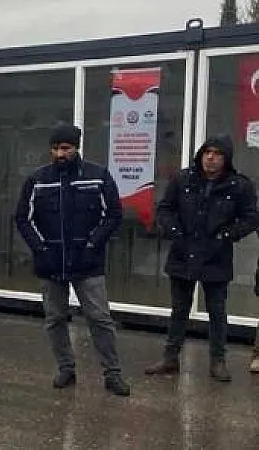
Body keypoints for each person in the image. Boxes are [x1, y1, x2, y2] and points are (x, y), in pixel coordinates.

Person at [14, 124, 131, 396]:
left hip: (87, 262)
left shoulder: (97, 175)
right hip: (50, 262)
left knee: (100, 319)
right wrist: (39, 247)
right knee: (55, 319)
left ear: (76, 148)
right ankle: (66, 368)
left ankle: (112, 373)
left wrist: (93, 242)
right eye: (55, 148)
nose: (59, 153)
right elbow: (22, 218)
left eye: (65, 148)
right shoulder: (38, 179)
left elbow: (113, 214)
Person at [145, 135, 258, 382]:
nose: (211, 157)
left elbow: (251, 218)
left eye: (217, 153)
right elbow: (165, 208)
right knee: (179, 309)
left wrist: (227, 235)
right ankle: (170, 357)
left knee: (217, 311)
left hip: (216, 256)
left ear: (225, 158)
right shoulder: (183, 179)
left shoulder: (239, 186)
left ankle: (218, 361)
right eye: (207, 152)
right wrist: (173, 230)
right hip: (183, 253)